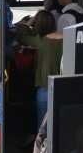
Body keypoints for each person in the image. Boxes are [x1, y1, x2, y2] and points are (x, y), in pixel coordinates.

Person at [14, 10, 62, 141]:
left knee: (43, 128)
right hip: (63, 87)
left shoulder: (40, 41)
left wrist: (29, 21)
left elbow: (20, 34)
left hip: (45, 88)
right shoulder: (65, 38)